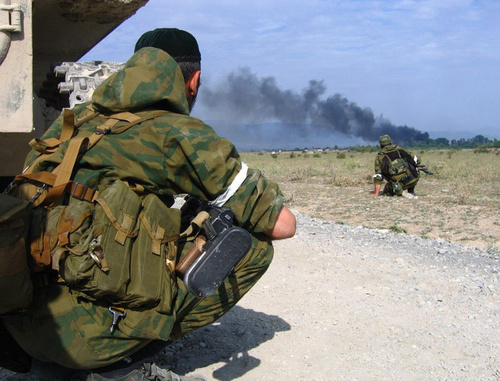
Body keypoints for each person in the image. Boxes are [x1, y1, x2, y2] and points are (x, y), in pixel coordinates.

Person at [0, 28, 296, 380]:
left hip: (17, 323)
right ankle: (120, 361)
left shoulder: (74, 123)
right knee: (255, 245)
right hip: (81, 344)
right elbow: (283, 224)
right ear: (193, 80)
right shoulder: (175, 133)